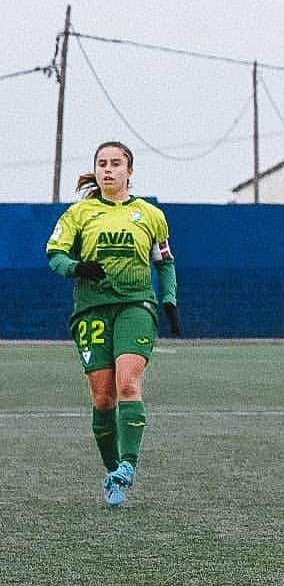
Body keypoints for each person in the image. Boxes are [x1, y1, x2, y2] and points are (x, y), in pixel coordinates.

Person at [45, 141, 181, 507]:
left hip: (136, 305)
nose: (108, 169)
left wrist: (168, 301)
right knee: (103, 396)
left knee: (128, 383)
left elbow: (165, 263)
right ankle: (113, 473)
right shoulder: (80, 214)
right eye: (102, 163)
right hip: (91, 309)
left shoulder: (151, 215)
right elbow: (55, 255)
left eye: (116, 163)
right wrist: (78, 267)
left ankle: (128, 465)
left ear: (129, 171)